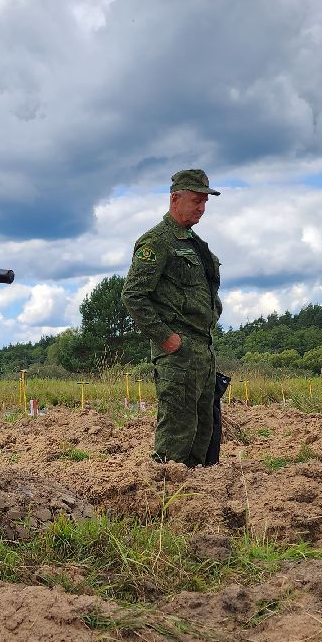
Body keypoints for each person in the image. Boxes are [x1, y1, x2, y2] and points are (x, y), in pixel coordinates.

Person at [122, 169, 223, 466]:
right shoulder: (157, 241)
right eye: (196, 200)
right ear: (175, 199)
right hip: (179, 355)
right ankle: (163, 499)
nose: (201, 208)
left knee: (203, 434)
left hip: (203, 350)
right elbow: (134, 295)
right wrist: (167, 339)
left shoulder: (194, 243)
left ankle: (197, 502)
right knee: (176, 435)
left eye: (205, 201)